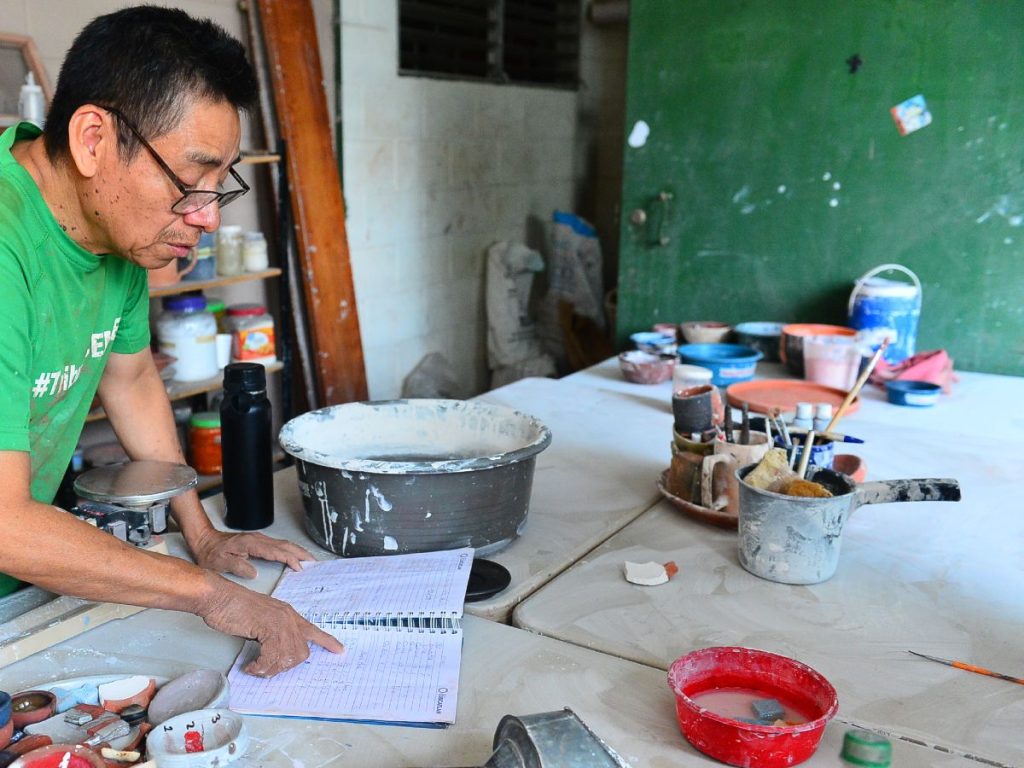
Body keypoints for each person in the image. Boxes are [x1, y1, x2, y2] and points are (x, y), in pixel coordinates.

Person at [0, 5, 343, 676]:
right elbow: (6, 524)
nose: (207, 217)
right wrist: (210, 595)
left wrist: (202, 535)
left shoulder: (112, 230)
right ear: (93, 139)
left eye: (221, 184)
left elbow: (131, 381)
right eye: (191, 179)